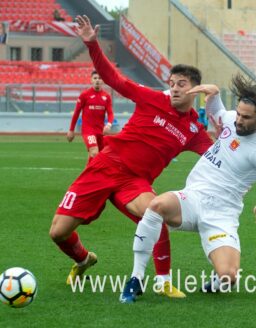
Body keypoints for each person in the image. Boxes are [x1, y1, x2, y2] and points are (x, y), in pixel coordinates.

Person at [49, 15, 213, 298]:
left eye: (181, 84)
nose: (174, 87)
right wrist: (91, 44)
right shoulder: (152, 97)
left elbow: (217, 156)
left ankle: (163, 282)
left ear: (195, 89)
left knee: (156, 212)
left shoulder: (194, 130)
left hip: (134, 182)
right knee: (58, 233)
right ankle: (83, 259)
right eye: (172, 82)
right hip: (104, 166)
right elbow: (114, 78)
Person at [120, 74, 256, 303]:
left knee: (229, 276)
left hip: (223, 214)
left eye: (246, 118)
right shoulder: (230, 120)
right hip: (193, 198)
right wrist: (213, 93)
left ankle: (217, 283)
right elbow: (216, 110)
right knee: (156, 205)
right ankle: (136, 279)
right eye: (238, 113)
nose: (238, 121)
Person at [67, 70, 114, 162]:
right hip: (88, 130)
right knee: (94, 152)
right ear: (91, 80)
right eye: (95, 78)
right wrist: (71, 130)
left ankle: (88, 175)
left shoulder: (106, 96)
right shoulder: (84, 95)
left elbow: (110, 113)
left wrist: (108, 125)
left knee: (99, 157)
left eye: (100, 78)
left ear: (103, 81)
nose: (97, 80)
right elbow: (76, 113)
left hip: (100, 131)